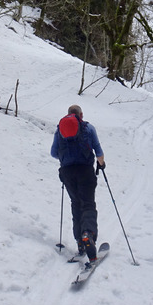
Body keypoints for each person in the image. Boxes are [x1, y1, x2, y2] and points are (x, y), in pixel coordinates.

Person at [50, 104, 106, 261]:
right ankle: (88, 234)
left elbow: (53, 153)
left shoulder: (59, 130)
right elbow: (99, 152)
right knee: (88, 203)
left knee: (76, 203)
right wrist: (101, 164)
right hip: (85, 171)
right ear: (81, 115)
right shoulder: (88, 128)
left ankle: (80, 242)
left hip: (67, 173)